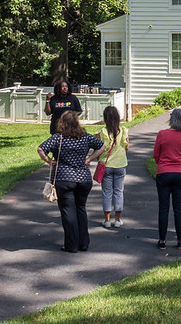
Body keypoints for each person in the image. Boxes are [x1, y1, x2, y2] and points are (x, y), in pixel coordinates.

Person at [37, 111, 104, 253]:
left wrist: (49, 161)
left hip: (64, 178)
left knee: (68, 212)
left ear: (62, 123)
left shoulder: (58, 138)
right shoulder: (85, 137)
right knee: (81, 208)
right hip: (83, 178)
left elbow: (40, 149)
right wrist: (89, 159)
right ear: (77, 122)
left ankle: (71, 245)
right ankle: (84, 242)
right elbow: (102, 146)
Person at [153, 108, 181, 249]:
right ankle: (180, 240)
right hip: (179, 173)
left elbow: (156, 154)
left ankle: (162, 241)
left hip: (164, 172)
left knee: (163, 208)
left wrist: (162, 163)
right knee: (179, 208)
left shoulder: (162, 134)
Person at [96, 106, 129, 229]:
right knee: (118, 192)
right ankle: (117, 219)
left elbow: (97, 149)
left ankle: (107, 220)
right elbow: (127, 147)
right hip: (120, 165)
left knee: (107, 193)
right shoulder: (123, 130)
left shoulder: (101, 132)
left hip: (106, 165)